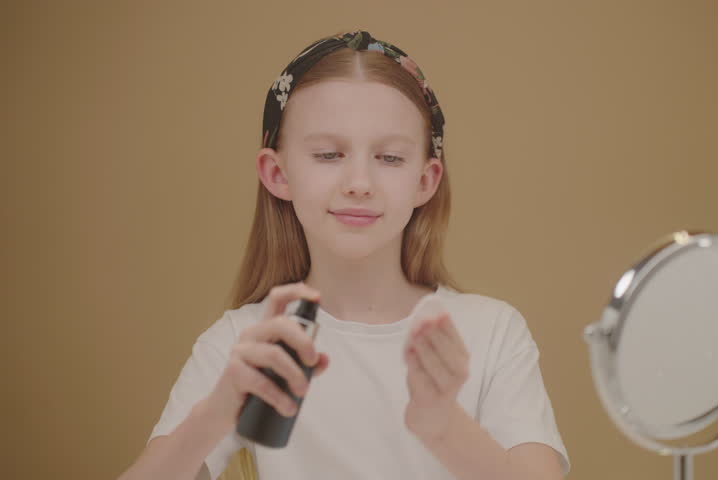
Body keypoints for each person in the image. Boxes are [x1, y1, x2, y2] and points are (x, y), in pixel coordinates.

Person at [118, 30, 570, 480]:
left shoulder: (492, 333)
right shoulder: (243, 342)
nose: (359, 181)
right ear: (277, 173)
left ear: (425, 181)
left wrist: (444, 428)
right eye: (329, 154)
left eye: (390, 157)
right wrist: (217, 412)